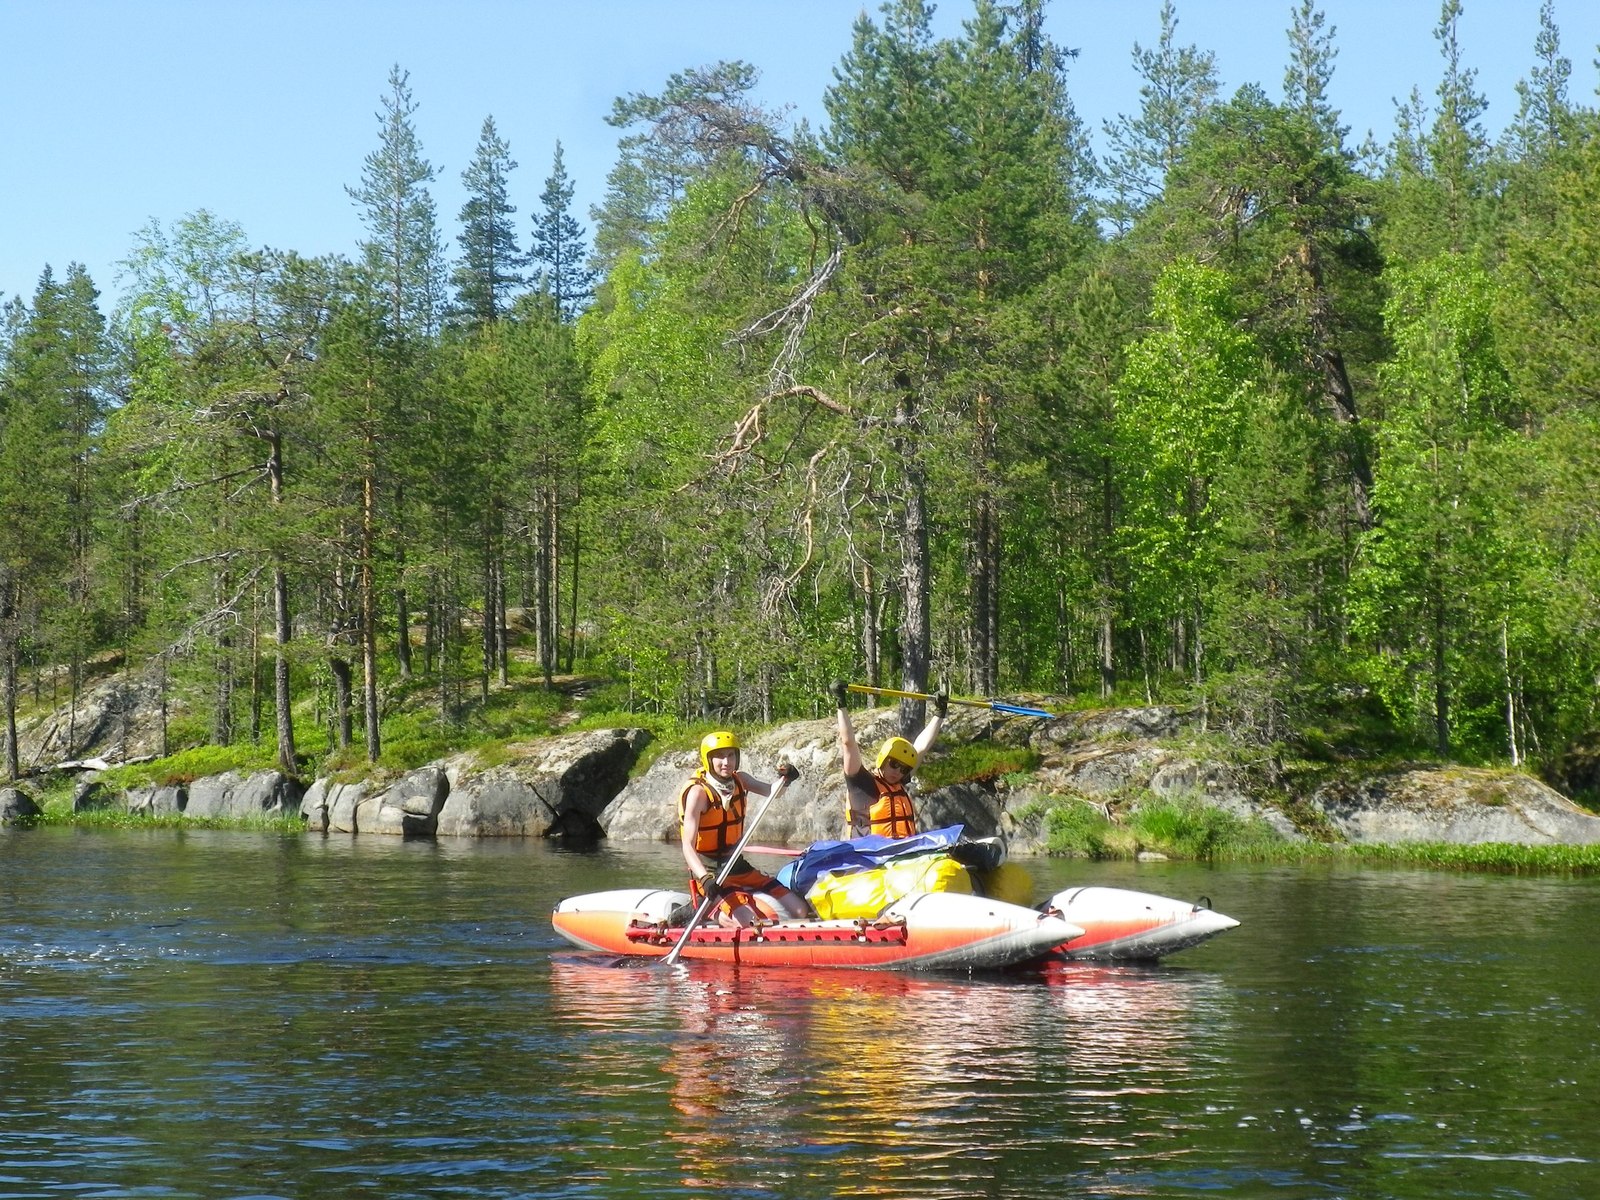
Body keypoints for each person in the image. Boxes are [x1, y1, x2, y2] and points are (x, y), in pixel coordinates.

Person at [679, 730, 809, 925]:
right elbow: (687, 846)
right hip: (711, 871)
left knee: (800, 910)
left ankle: (728, 902)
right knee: (747, 922)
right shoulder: (698, 793)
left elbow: (773, 792)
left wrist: (786, 780)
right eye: (719, 757)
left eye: (731, 755)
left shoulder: (741, 780)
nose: (726, 762)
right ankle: (704, 909)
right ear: (708, 759)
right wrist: (705, 878)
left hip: (736, 865)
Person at [830, 680, 946, 839]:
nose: (899, 772)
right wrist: (841, 703)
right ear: (883, 760)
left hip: (901, 852)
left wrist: (939, 713)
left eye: (904, 769)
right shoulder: (861, 783)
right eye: (894, 764)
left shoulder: (898, 782)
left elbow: (921, 747)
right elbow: (848, 743)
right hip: (868, 855)